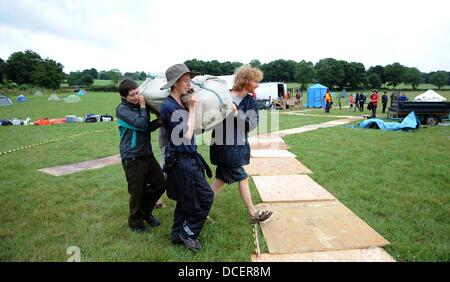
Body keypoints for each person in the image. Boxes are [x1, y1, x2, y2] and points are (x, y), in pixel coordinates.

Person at [159, 64, 214, 252]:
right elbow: (187, 135)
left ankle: (176, 235)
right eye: (185, 80)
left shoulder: (178, 103)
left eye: (189, 80)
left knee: (184, 200)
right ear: (175, 84)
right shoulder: (168, 107)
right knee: (205, 196)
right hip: (181, 161)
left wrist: (189, 102)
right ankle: (188, 233)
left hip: (188, 157)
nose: (188, 84)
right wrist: (191, 108)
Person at [210, 65, 273, 225]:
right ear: (245, 81)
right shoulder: (224, 96)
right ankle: (253, 213)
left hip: (236, 147)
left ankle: (198, 211)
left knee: (219, 182)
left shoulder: (250, 102)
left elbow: (252, 125)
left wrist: (237, 114)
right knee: (243, 178)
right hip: (224, 147)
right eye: (255, 81)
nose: (257, 85)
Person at [116, 78, 166, 234]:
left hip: (146, 153)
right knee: (137, 191)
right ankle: (135, 223)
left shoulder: (137, 106)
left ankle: (146, 212)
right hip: (132, 156)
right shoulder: (122, 110)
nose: (137, 96)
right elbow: (142, 124)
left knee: (160, 183)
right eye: (132, 95)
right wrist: (144, 106)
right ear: (124, 96)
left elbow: (145, 128)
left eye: (137, 93)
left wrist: (158, 122)